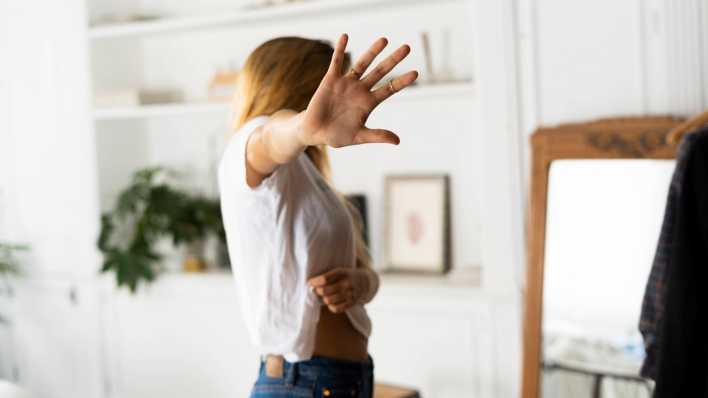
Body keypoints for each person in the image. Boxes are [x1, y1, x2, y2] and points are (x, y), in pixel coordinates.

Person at [218, 34, 418, 398]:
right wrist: (301, 128)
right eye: (331, 84)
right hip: (303, 382)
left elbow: (368, 276)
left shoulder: (314, 185)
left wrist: (359, 284)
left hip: (343, 379)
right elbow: (269, 136)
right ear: (298, 85)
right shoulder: (250, 145)